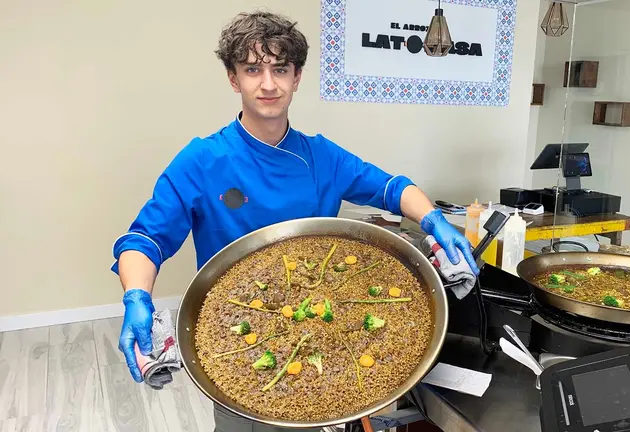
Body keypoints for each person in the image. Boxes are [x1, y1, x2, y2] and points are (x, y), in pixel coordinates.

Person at [111, 10, 478, 432]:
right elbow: (144, 239)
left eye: (280, 69)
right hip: (239, 337)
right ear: (234, 79)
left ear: (297, 76)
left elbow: (391, 187)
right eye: (252, 69)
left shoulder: (321, 155)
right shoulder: (202, 160)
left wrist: (432, 216)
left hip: (331, 335)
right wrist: (136, 297)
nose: (268, 84)